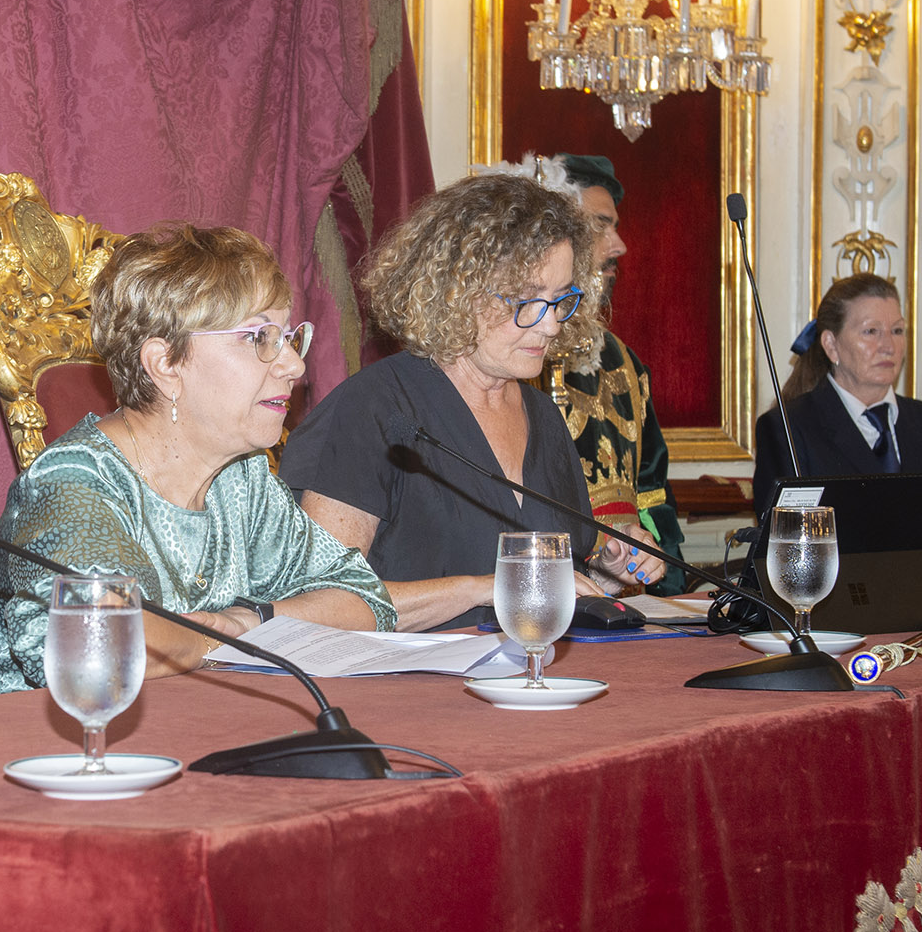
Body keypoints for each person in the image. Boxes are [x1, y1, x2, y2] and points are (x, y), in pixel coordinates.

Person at [0, 225, 403, 697]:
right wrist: (222, 638)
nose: (294, 365)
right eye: (259, 337)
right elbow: (97, 647)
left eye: (288, 337)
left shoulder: (239, 479)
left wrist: (250, 620)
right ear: (166, 365)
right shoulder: (73, 485)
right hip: (14, 752)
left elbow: (365, 598)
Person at [280, 175, 660, 630]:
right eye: (526, 300)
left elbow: (543, 584)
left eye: (560, 300)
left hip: (525, 682)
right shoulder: (371, 409)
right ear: (456, 293)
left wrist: (606, 575)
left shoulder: (542, 415)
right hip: (400, 691)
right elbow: (320, 605)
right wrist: (482, 588)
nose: (552, 325)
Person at [748, 271, 922, 596]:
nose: (888, 345)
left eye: (897, 330)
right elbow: (790, 548)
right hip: (840, 617)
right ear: (831, 345)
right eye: (871, 331)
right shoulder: (788, 427)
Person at [540, 153, 690, 592]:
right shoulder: (515, 362)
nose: (619, 245)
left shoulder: (624, 362)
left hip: (632, 599)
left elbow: (652, 494)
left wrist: (671, 599)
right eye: (599, 225)